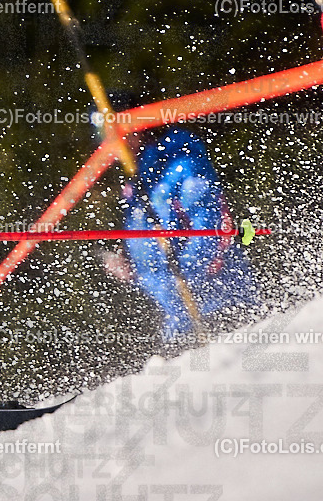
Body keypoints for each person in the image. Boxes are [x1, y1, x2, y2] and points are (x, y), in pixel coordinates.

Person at [96, 101, 259, 341]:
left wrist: (184, 280)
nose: (109, 146)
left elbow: (209, 228)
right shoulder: (135, 185)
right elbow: (151, 261)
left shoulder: (178, 161)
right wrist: (131, 269)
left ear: (136, 127)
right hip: (180, 321)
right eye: (102, 138)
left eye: (113, 135)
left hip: (221, 307)